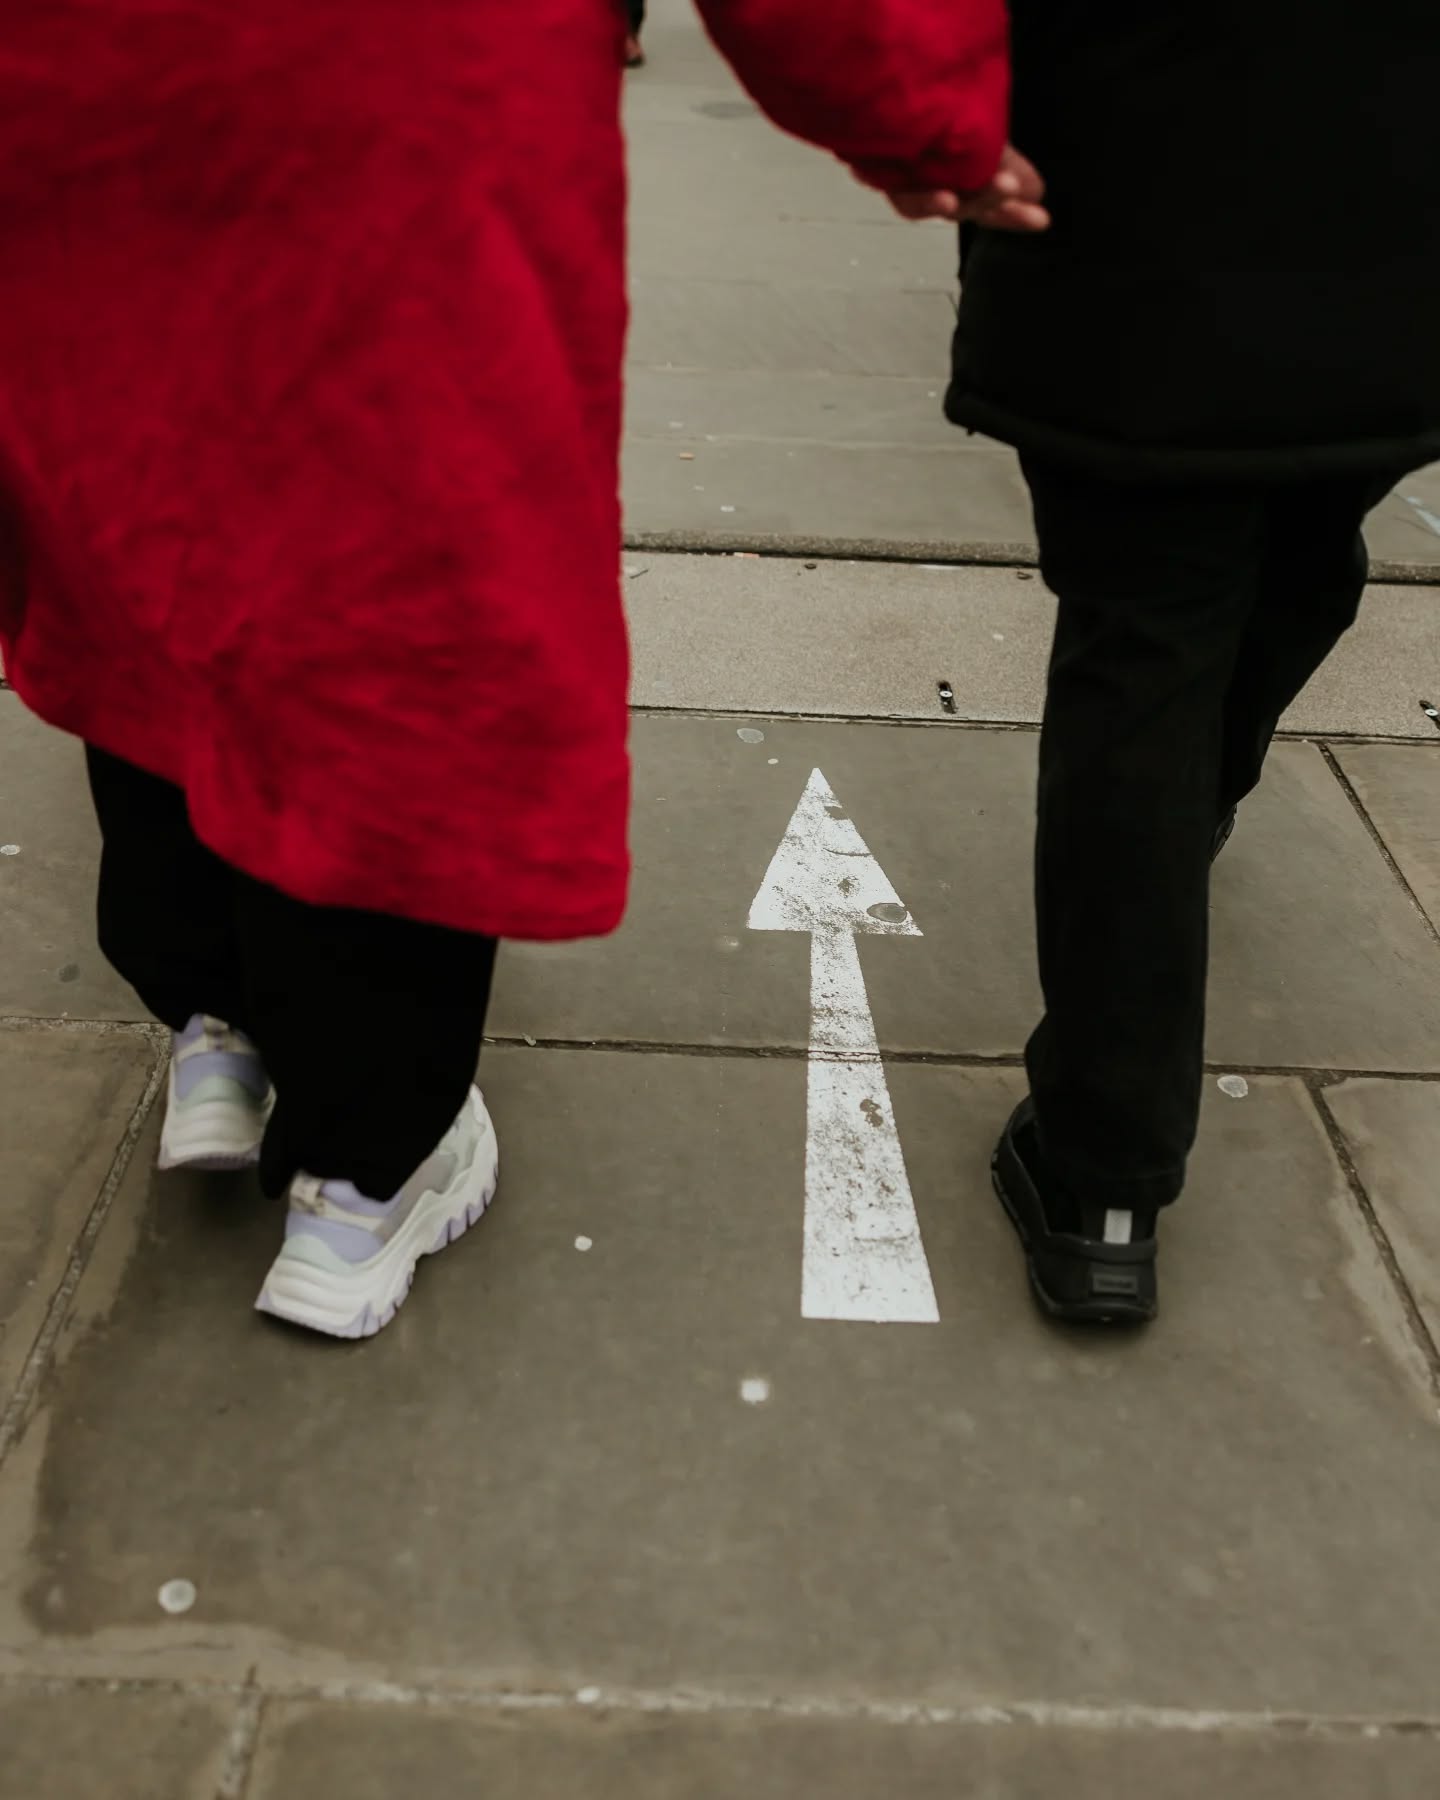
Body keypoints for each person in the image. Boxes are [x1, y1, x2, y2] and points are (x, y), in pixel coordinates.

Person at [0, 0, 1042, 1339]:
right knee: (396, 622)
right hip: (396, 108)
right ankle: (366, 1181)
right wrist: (923, 113)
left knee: (149, 544)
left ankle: (217, 1022)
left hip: (82, 103)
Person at [943, 1, 1440, 1325]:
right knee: (1286, 558)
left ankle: (1103, 1174)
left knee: (1155, 649)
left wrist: (925, 108)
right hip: (1379, 204)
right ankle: (1176, 813)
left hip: (1137, 195)